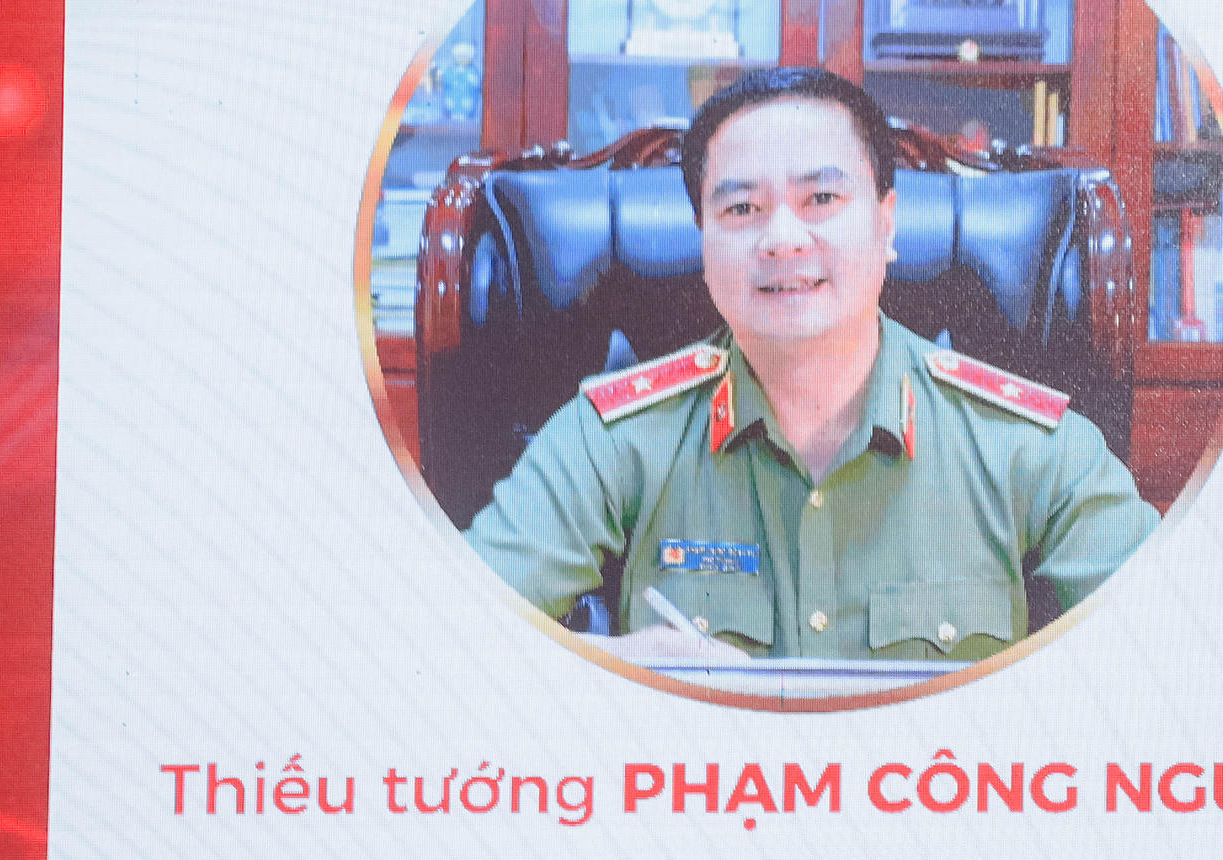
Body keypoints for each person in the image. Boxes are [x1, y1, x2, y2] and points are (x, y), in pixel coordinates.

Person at [467, 66, 1155, 669]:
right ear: (704, 244)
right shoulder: (610, 439)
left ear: (886, 223)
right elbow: (450, 640)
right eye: (742, 208)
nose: (783, 239)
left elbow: (1174, 652)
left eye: (821, 200)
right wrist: (608, 669)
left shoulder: (1029, 446)